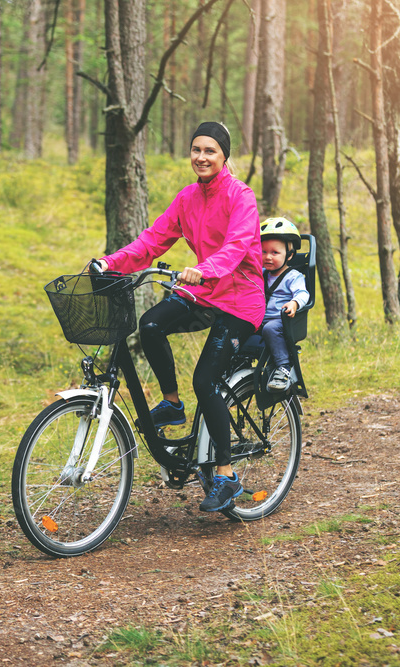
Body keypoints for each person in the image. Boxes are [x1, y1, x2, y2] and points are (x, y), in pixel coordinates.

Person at [94, 121, 264, 513]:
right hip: (205, 291)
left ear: (224, 157)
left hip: (240, 298)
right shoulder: (187, 198)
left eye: (210, 151)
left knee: (205, 379)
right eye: (196, 150)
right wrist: (110, 262)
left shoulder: (242, 196)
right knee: (150, 325)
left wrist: (204, 269)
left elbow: (237, 246)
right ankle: (171, 403)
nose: (201, 157)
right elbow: (152, 240)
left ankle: (225, 475)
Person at [257, 217, 310, 392]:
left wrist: (294, 303)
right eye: (264, 252)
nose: (268, 257)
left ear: (290, 255)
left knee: (270, 329)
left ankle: (283, 367)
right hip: (259, 319)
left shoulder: (293, 276)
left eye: (274, 253)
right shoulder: (261, 273)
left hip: (281, 321)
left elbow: (303, 293)